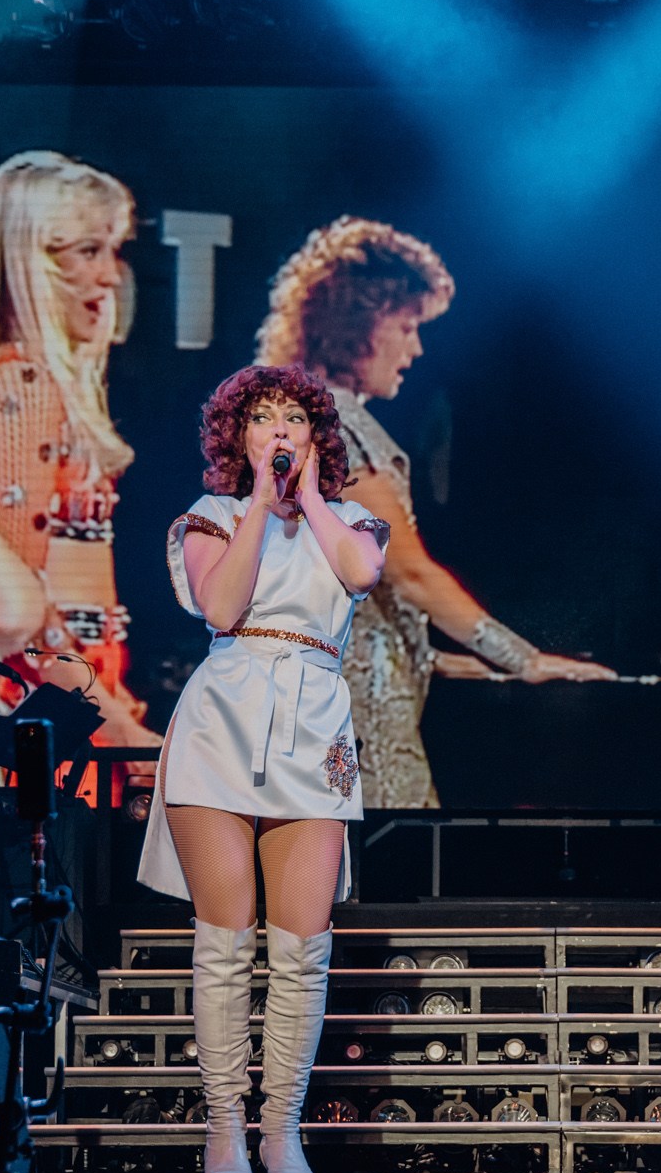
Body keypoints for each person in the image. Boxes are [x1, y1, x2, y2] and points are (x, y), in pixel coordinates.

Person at [256, 216, 613, 807]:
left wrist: (435, 659)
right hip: (352, 721)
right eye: (407, 326)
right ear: (361, 320)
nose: (415, 348)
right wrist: (524, 660)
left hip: (331, 706)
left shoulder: (301, 415)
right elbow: (409, 572)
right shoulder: (333, 425)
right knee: (374, 883)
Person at [137, 363, 389, 1173]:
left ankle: (282, 1134)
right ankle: (223, 1131)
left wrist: (308, 495)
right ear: (238, 438)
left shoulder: (352, 520)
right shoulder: (209, 518)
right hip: (223, 718)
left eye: (294, 417)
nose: (278, 428)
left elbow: (358, 576)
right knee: (226, 941)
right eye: (263, 418)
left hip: (314, 724)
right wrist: (258, 503)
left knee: (301, 949)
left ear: (317, 436)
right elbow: (221, 608)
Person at [0, 142, 162, 751]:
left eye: (112, 251)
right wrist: (126, 735)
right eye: (88, 251)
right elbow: (30, 633)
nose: (110, 274)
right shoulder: (25, 387)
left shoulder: (29, 383)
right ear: (32, 262)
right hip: (56, 729)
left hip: (70, 715)